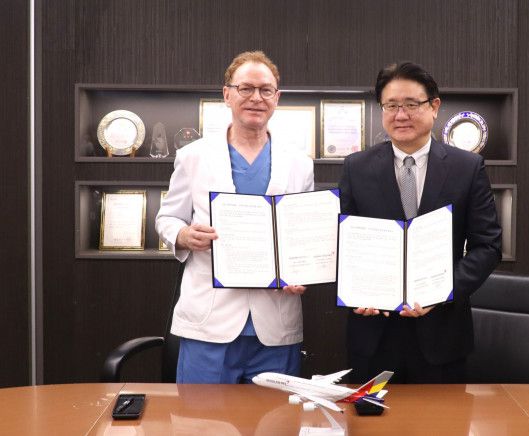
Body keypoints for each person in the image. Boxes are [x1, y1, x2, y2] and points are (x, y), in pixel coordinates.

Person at [339, 61, 502, 383]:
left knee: (442, 415)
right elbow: (341, 243)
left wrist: (442, 291)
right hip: (373, 335)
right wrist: (355, 291)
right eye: (391, 105)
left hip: (442, 336)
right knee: (371, 416)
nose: (401, 115)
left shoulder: (467, 167)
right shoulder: (356, 168)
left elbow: (488, 246)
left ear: (434, 106)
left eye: (411, 104)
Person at [156, 51, 313, 384]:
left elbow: (304, 233)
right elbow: (167, 218)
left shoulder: (300, 163)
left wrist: (303, 269)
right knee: (201, 414)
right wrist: (184, 236)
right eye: (246, 88)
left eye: (266, 90)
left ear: (277, 98)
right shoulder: (193, 156)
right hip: (210, 322)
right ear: (227, 95)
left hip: (275, 324)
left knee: (274, 415)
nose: (256, 98)